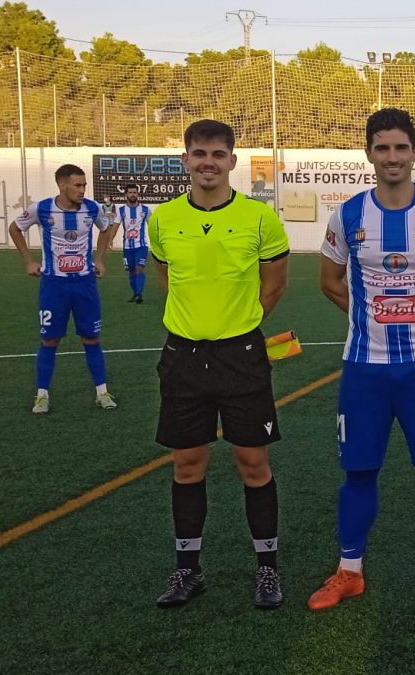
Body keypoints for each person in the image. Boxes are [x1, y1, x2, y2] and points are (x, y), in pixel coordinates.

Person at [309, 108, 415, 612]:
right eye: (382, 148)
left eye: (400, 147)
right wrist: (370, 317)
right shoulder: (346, 215)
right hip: (364, 369)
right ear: (368, 154)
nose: (392, 157)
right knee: (358, 472)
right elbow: (329, 281)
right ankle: (349, 571)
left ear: (414, 152)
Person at [149, 119, 290, 610]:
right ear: (186, 159)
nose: (208, 161)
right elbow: (166, 276)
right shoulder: (163, 219)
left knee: (253, 464)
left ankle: (267, 571)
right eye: (198, 153)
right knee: (187, 466)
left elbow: (274, 284)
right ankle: (189, 570)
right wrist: (199, 320)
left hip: (241, 357)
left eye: (217, 154)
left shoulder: (259, 218)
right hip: (183, 357)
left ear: (232, 160)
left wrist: (237, 323)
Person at [8, 164, 117, 414]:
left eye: (84, 185)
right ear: (62, 185)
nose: (82, 190)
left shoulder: (92, 208)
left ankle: (102, 392)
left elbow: (107, 227)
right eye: (77, 185)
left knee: (91, 337)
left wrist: (99, 259)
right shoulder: (42, 208)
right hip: (54, 284)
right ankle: (42, 396)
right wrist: (28, 260)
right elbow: (15, 228)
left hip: (85, 283)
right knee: (50, 339)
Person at [116, 184, 152, 303]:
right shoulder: (121, 211)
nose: (133, 195)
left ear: (138, 194)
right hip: (127, 247)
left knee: (139, 268)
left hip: (141, 246)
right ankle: (135, 293)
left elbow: (151, 226)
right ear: (126, 194)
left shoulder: (145, 210)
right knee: (131, 270)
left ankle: (139, 294)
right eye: (130, 192)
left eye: (135, 192)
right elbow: (115, 226)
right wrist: (110, 240)